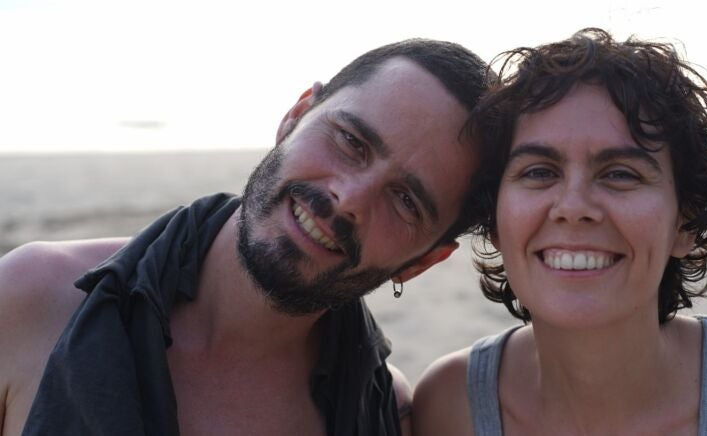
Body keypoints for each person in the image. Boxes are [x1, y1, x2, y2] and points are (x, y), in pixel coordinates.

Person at [0, 38, 495, 436]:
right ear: (296, 115)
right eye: (351, 141)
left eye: (406, 200)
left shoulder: (386, 413)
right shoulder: (31, 299)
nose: (348, 198)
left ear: (423, 261)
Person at [413, 28, 707, 435]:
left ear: (686, 222)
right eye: (539, 172)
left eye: (620, 174)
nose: (573, 208)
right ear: (494, 220)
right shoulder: (451, 405)